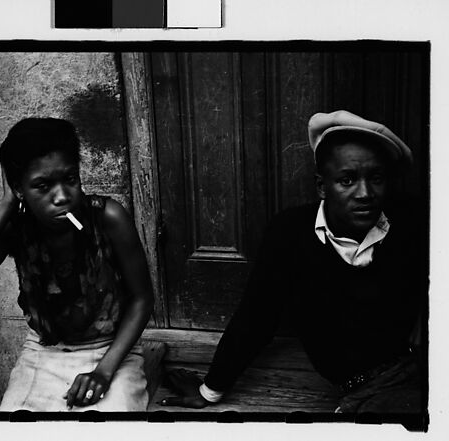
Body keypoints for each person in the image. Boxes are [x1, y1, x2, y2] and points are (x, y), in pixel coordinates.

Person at [161, 110, 427, 414]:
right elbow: (257, 315)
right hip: (369, 390)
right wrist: (210, 391)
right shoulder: (290, 234)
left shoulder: (411, 220)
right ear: (322, 186)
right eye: (347, 180)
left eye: (376, 178)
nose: (364, 193)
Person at [0, 118, 154, 411]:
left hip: (112, 349)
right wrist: (5, 205)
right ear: (19, 189)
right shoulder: (17, 228)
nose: (62, 196)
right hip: (44, 352)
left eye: (71, 179)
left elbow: (142, 299)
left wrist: (104, 371)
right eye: (42, 185)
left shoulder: (107, 218)